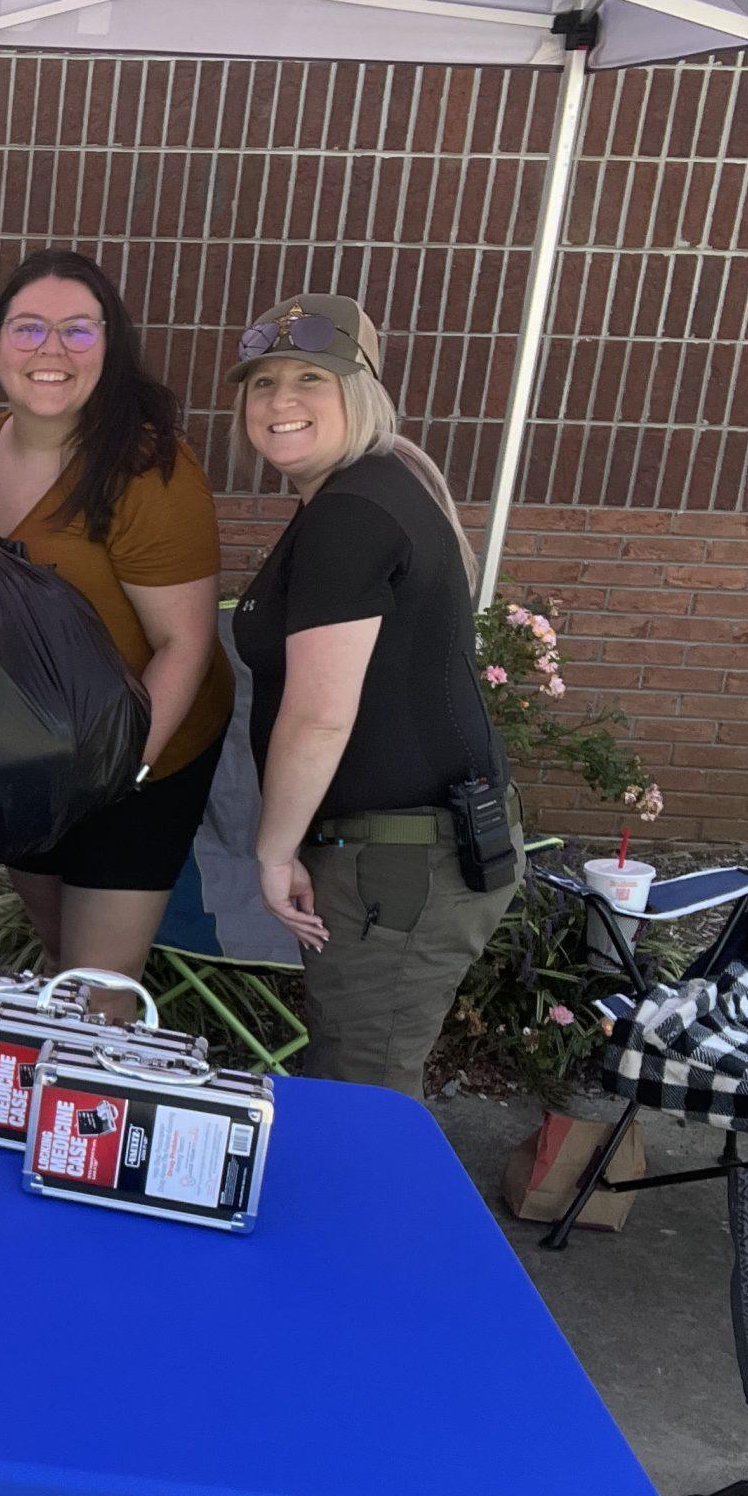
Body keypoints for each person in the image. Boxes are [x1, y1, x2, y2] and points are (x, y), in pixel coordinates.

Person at [229, 293, 521, 1098]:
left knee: (364, 1092)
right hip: (402, 856)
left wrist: (273, 852)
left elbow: (320, 715)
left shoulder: (352, 512)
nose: (280, 401)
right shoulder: (375, 485)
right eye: (262, 383)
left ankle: (379, 1191)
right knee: (358, 1074)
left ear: (359, 391)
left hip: (400, 864)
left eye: (309, 379)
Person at [0, 250, 228, 1009]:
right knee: (56, 953)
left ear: (111, 347)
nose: (51, 349)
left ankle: (96, 1083)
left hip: (142, 751)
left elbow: (183, 644)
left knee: (97, 992)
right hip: (29, 752)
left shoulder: (147, 470)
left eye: (78, 330)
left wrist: (118, 774)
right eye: (28, 328)